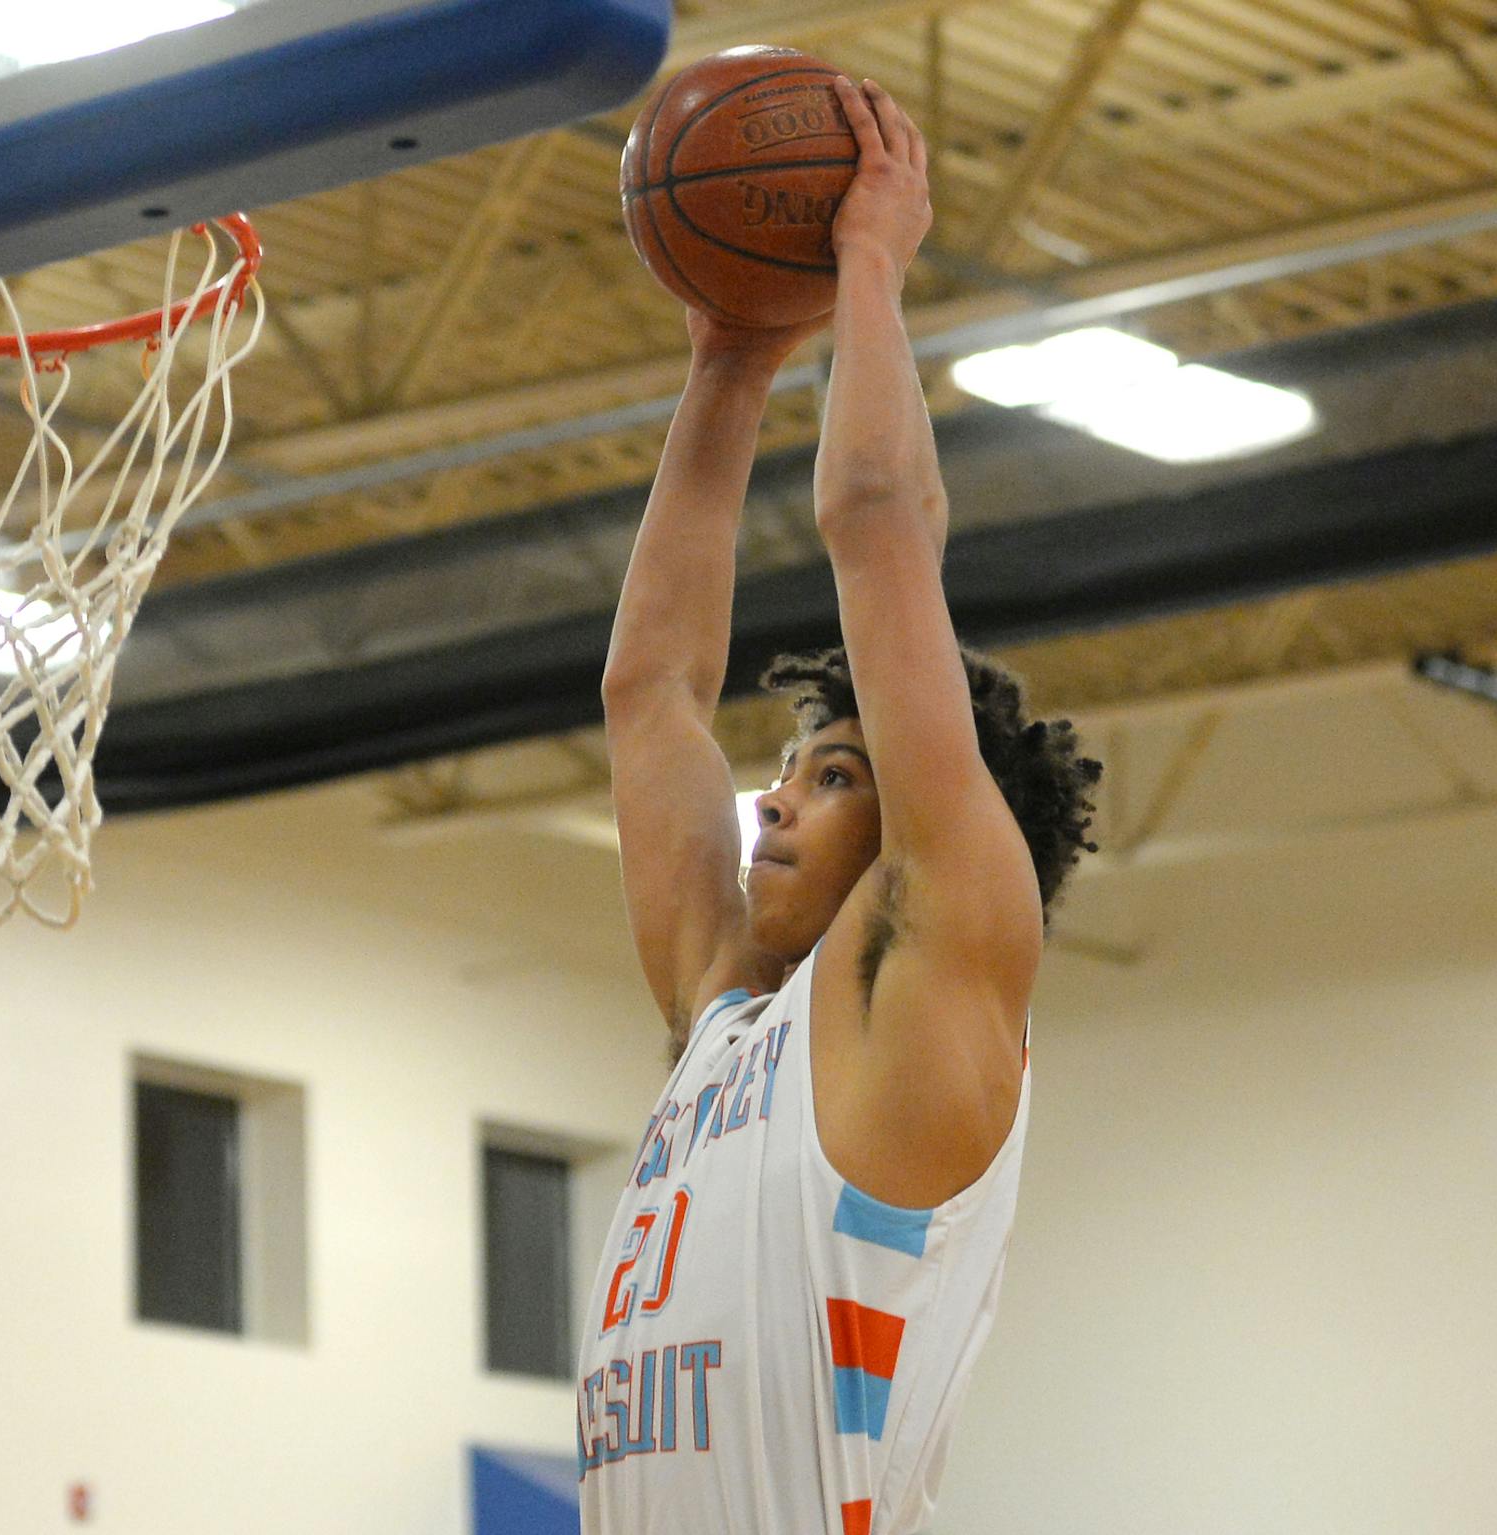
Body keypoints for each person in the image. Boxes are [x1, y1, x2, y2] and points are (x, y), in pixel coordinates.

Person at [579, 76, 1102, 1534]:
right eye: (792, 771)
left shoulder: (941, 980)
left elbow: (880, 531)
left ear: (932, 825)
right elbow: (652, 696)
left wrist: (868, 261)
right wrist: (729, 367)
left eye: (836, 775)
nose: (774, 804)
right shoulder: (730, 1015)